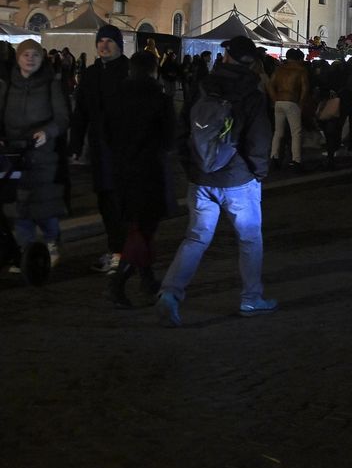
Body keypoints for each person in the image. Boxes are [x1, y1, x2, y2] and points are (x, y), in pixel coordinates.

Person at [156, 35, 275, 327]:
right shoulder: (252, 93)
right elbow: (259, 140)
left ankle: (170, 293)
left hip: (202, 176)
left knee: (195, 238)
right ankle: (251, 297)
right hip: (238, 179)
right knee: (249, 239)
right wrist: (258, 173)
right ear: (252, 62)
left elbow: (183, 130)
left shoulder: (203, 86)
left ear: (225, 57)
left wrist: (191, 166)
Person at [105, 51, 174, 307]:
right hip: (148, 170)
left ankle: (147, 278)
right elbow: (168, 139)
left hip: (122, 169)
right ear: (154, 70)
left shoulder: (116, 98)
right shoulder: (160, 99)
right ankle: (118, 284)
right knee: (143, 230)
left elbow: (107, 133)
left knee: (137, 226)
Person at [1, 40, 69, 270]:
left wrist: (47, 132)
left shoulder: (51, 85)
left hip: (42, 153)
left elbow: (62, 118)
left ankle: (51, 241)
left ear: (42, 59)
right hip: (13, 151)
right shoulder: (8, 85)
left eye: (35, 55)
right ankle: (25, 251)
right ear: (18, 58)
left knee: (43, 201)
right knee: (19, 203)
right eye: (26, 54)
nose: (30, 58)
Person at [69, 24, 130, 274]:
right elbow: (81, 112)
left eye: (109, 41)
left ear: (118, 45)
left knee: (120, 202)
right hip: (99, 147)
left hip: (123, 149)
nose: (104, 46)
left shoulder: (128, 71)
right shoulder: (91, 74)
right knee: (105, 201)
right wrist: (75, 143)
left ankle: (122, 253)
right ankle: (115, 249)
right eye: (100, 41)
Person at [267, 48, 310, 169]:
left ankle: (274, 156)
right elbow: (305, 88)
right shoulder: (301, 70)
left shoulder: (279, 69)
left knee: (278, 132)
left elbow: (270, 84)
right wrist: (301, 103)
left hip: (279, 100)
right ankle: (296, 160)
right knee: (296, 132)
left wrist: (274, 98)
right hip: (292, 101)